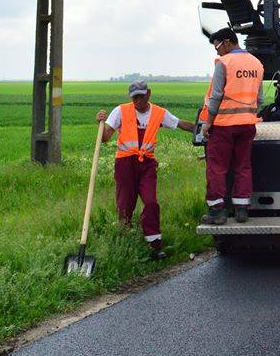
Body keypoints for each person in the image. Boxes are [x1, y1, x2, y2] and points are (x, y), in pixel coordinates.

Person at [95, 81, 196, 260]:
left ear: (149, 94)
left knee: (150, 202)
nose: (138, 100)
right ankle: (124, 245)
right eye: (134, 97)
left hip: (147, 164)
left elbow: (181, 124)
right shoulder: (120, 111)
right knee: (125, 204)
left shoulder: (158, 113)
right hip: (125, 164)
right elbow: (105, 137)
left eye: (141, 96)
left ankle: (154, 244)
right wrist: (100, 123)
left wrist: (202, 130)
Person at [200, 28, 265, 225]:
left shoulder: (224, 62)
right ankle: (242, 210)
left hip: (223, 126)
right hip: (247, 125)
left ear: (227, 42)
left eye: (217, 46)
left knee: (217, 168)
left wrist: (208, 123)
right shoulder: (257, 63)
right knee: (243, 166)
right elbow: (259, 98)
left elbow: (217, 95)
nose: (217, 51)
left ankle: (217, 212)